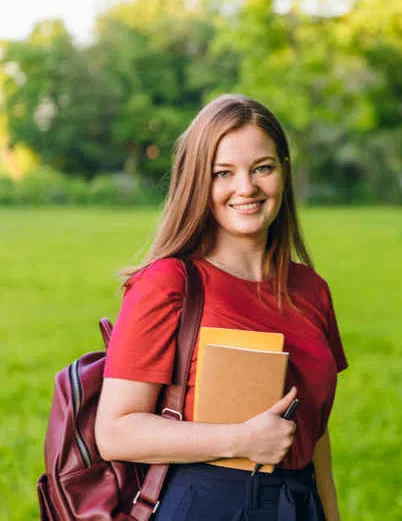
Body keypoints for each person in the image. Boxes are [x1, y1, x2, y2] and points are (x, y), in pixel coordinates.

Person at [95, 94, 347, 521]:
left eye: (262, 168)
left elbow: (314, 434)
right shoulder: (168, 284)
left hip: (299, 501)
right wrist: (241, 439)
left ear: (283, 172)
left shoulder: (311, 289)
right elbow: (116, 431)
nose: (245, 188)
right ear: (198, 182)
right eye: (222, 173)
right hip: (206, 503)